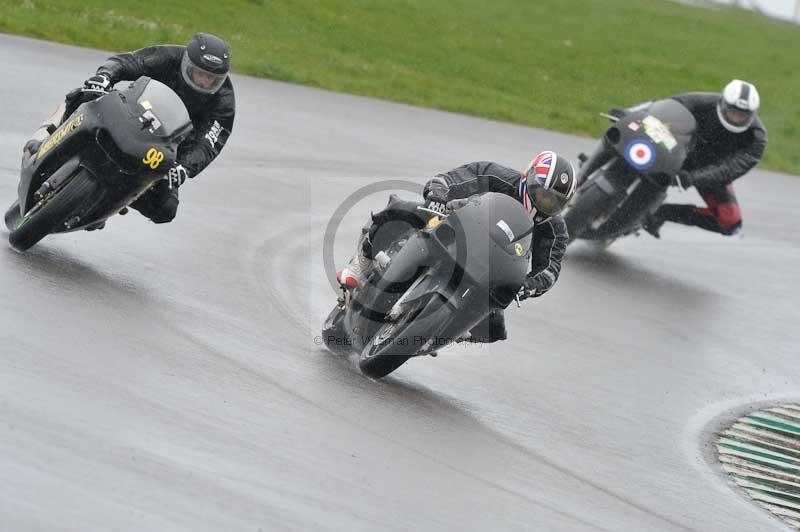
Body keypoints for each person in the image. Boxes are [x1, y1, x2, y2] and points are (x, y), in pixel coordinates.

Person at [337, 151, 576, 343]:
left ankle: (441, 333)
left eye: (555, 201)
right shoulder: (498, 176)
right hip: (455, 226)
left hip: (490, 270)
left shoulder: (555, 230)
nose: (547, 203)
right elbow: (455, 178)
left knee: (494, 329)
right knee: (401, 210)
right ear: (529, 178)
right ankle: (360, 265)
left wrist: (529, 285)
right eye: (543, 195)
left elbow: (550, 269)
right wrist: (439, 194)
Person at [25, 33, 236, 226]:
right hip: (130, 114)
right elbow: (128, 62)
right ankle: (49, 138)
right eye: (200, 73)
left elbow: (209, 142)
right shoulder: (170, 56)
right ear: (187, 63)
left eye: (212, 79)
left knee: (166, 210)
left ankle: (106, 206)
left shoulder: (224, 100)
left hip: (166, 147)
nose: (205, 81)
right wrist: (105, 76)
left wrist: (185, 168)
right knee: (83, 95)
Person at [583, 80, 766, 238]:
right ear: (723, 103)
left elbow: (730, 169)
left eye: (742, 114)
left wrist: (693, 178)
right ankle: (584, 172)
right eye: (732, 111)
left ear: (752, 114)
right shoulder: (704, 101)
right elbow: (664, 105)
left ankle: (660, 213)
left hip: (708, 170)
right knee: (628, 139)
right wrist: (629, 113)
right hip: (675, 149)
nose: (735, 117)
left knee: (730, 222)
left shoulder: (756, 138)